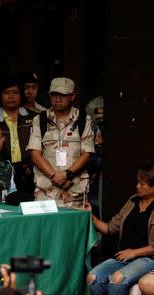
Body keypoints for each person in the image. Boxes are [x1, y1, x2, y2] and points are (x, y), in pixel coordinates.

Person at [85, 162, 154, 295]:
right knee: (92, 278)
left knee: (117, 280)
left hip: (148, 259)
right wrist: (91, 216)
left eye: (142, 184)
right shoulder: (132, 201)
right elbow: (110, 228)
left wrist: (134, 252)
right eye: (137, 182)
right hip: (123, 257)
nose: (137, 186)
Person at [27, 77, 95, 208]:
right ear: (49, 96)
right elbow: (35, 155)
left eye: (63, 95)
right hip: (46, 191)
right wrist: (54, 176)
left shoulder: (82, 120)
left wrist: (66, 174)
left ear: (72, 96)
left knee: (74, 227)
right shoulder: (40, 120)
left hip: (74, 190)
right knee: (46, 227)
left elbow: (87, 154)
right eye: (54, 95)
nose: (58, 99)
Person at [0, 76, 37, 195]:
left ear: (21, 95)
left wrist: (31, 166)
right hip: (3, 174)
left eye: (15, 92)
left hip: (30, 173)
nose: (11, 96)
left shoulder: (34, 118)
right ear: (0, 96)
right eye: (6, 93)